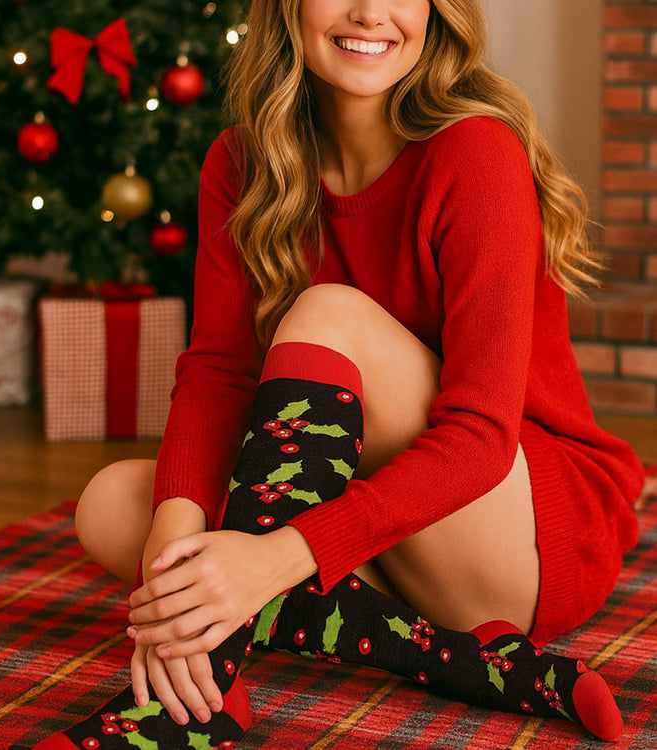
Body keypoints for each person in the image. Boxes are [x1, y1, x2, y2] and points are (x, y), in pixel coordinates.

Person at [35, 0, 641, 747]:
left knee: (328, 315)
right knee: (114, 507)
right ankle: (450, 659)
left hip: (521, 534)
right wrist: (173, 571)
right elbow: (220, 373)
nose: (369, 12)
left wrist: (275, 558)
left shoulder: (475, 152)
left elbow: (482, 436)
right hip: (381, 528)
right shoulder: (240, 162)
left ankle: (195, 699)